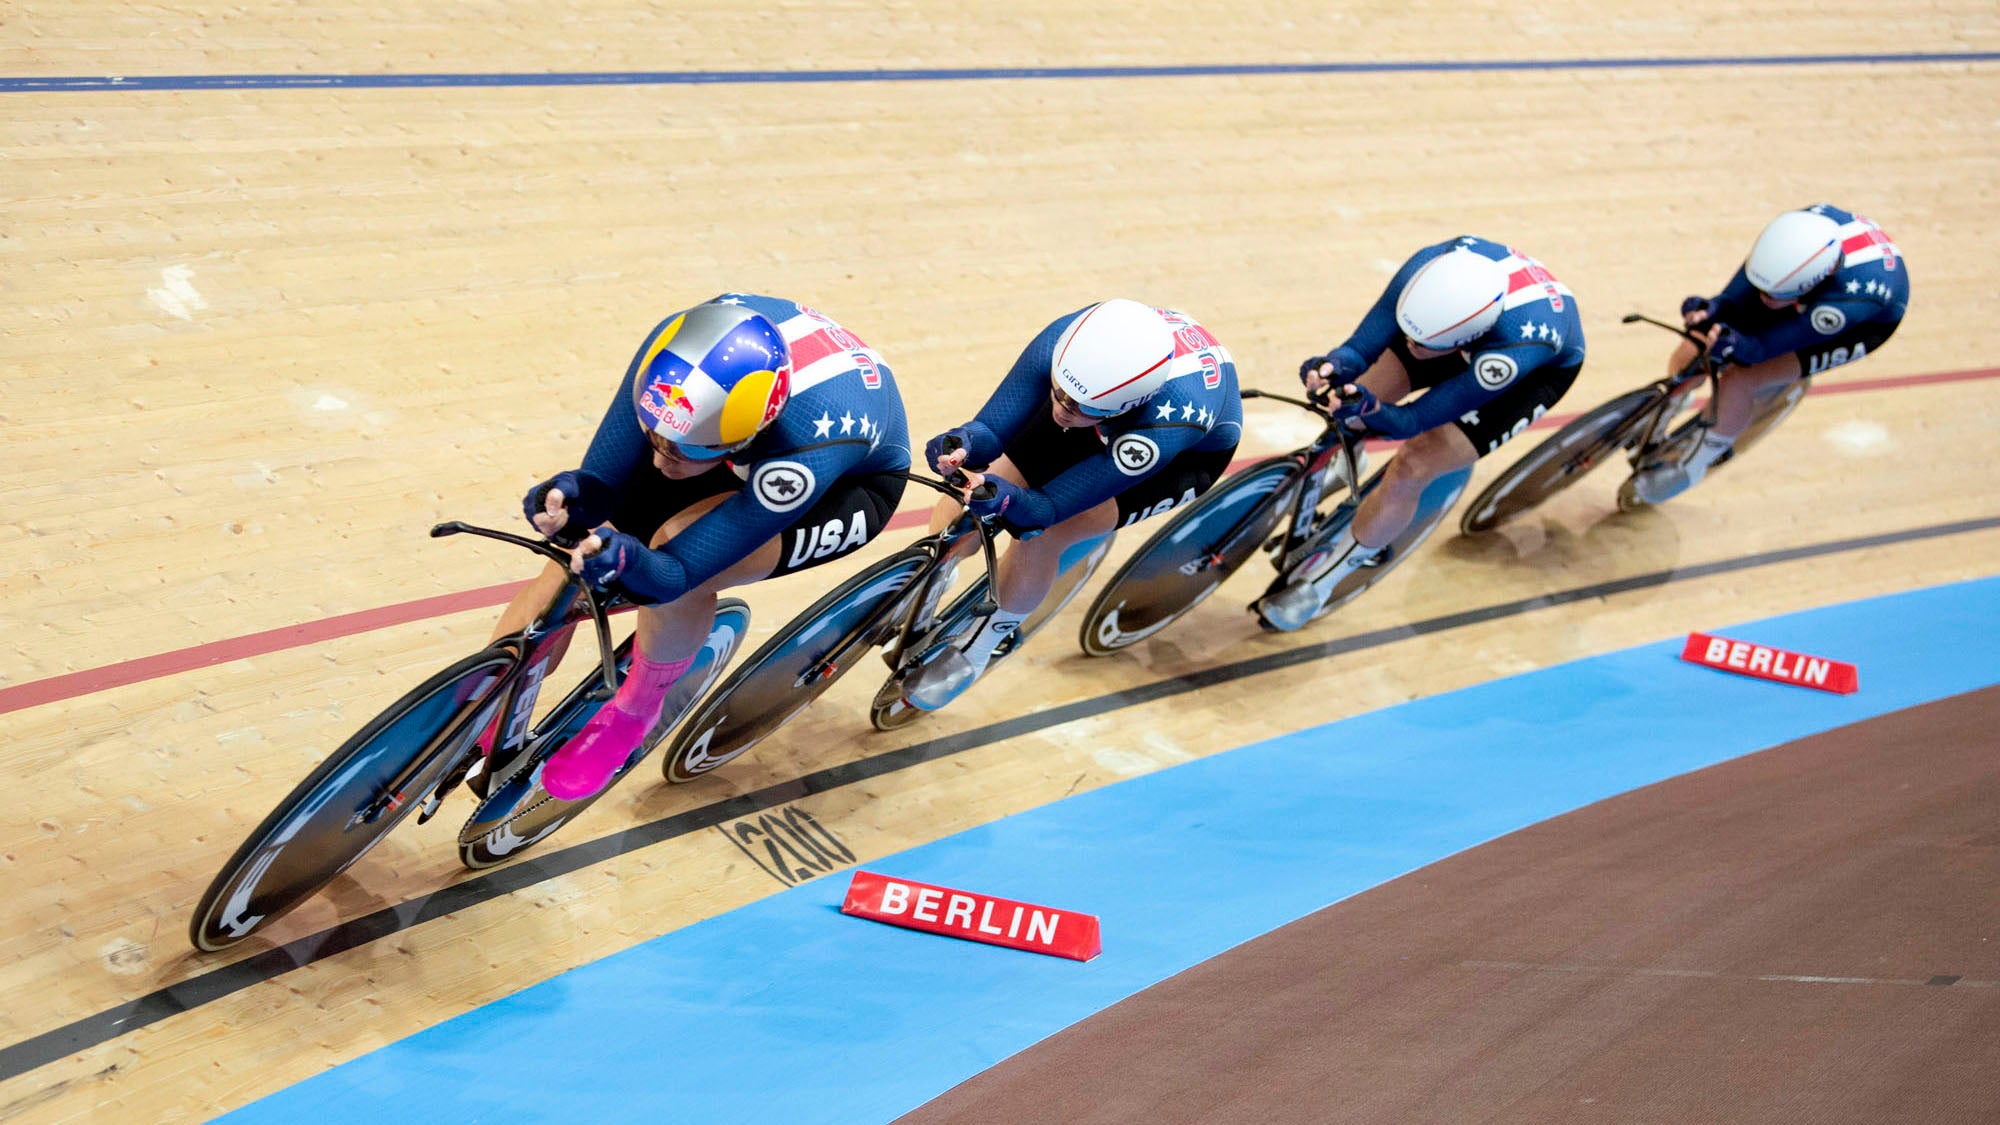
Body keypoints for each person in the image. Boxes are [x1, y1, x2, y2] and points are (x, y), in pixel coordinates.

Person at [489, 294, 909, 799]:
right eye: (656, 436)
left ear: (743, 438)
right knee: (569, 563)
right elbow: (601, 482)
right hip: (722, 427)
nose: (663, 459)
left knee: (677, 557)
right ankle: (477, 709)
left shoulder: (800, 455)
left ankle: (635, 715)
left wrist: (628, 557)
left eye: (684, 449)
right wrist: (569, 499)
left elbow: (673, 573)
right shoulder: (673, 355)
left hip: (849, 482)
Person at [905, 298, 1243, 707]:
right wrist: (964, 444)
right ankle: (938, 570)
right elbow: (990, 430)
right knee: (980, 479)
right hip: (1103, 398)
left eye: (1079, 407)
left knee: (1044, 534)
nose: (1063, 410)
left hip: (1183, 457)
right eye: (1059, 393)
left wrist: (1014, 500)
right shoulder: (1066, 341)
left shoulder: (1159, 429)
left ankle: (982, 644)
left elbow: (1044, 509)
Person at [1263, 237, 1586, 630]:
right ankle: (1350, 456)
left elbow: (1414, 420)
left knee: (1414, 464)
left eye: (1423, 341)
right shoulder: (1430, 266)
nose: (1410, 345)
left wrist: (1373, 408)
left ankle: (1325, 582)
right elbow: (1359, 350)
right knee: (1349, 409)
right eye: (1409, 333)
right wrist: (1334, 368)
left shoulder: (1515, 347)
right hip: (1455, 330)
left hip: (1531, 375)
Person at [1630, 204, 1908, 503]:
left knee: (1741, 379)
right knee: (1699, 341)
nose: (1765, 298)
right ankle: (1667, 407)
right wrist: (1713, 308)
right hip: (1802, 281)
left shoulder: (1848, 301)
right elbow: (1735, 298)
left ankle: (1696, 462)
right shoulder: (1790, 233)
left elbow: (1759, 349)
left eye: (1775, 294)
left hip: (1855, 329)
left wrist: (1740, 345)